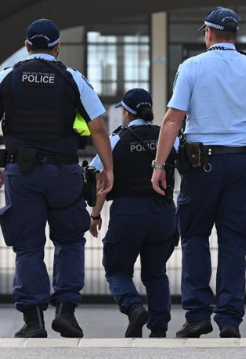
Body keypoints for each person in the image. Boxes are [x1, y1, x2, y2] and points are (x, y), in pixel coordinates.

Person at [150, 6, 246, 339]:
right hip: (243, 165)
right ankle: (229, 319)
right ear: (235, 35)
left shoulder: (192, 67)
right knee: (234, 240)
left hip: (201, 166)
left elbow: (172, 119)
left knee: (195, 236)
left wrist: (159, 165)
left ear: (208, 33)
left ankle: (197, 315)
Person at [0, 18, 114, 339]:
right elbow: (97, 127)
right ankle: (66, 312)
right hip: (64, 172)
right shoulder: (72, 79)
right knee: (69, 241)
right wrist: (108, 168)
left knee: (28, 246)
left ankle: (33, 320)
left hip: (21, 174)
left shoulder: (6, 78)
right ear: (57, 47)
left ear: (26, 46)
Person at [88, 88, 178, 338]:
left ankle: (133, 307)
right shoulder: (166, 136)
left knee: (117, 269)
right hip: (162, 212)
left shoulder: (116, 139)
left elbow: (101, 180)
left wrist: (95, 215)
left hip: (128, 212)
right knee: (156, 271)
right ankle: (159, 327)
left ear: (126, 112)